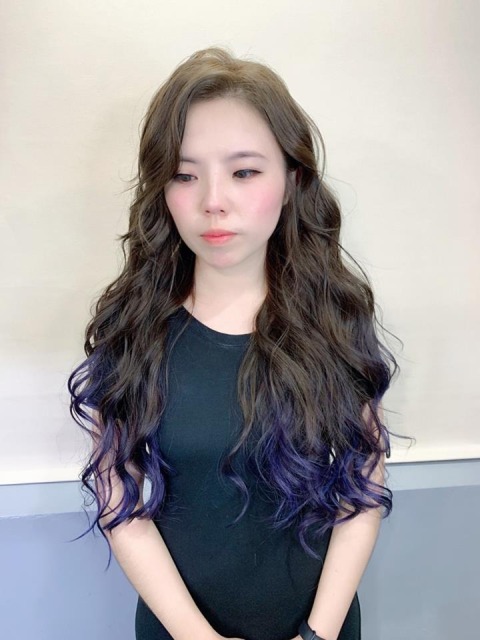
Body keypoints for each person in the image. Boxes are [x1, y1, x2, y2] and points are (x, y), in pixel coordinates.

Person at [68, 47, 401, 640]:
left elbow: (364, 489)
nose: (212, 200)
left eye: (244, 172)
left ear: (292, 179)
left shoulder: (337, 318)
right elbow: (120, 505)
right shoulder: (132, 329)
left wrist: (317, 634)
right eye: (184, 174)